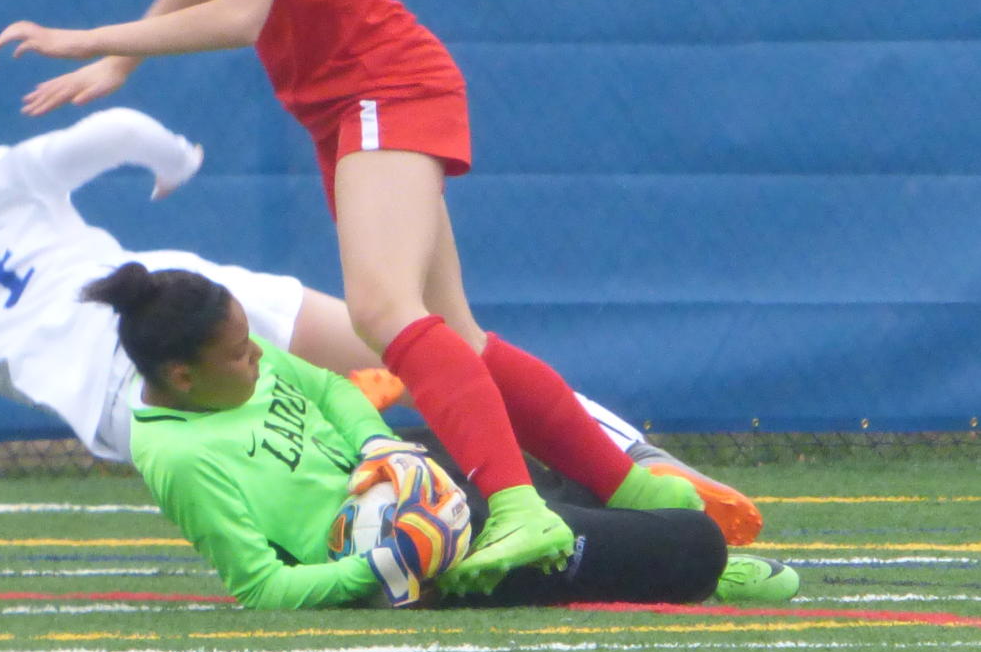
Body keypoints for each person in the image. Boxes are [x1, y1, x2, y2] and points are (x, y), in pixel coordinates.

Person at [0, 0, 700, 586]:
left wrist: (94, 36)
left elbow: (241, 11)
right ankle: (633, 492)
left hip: (382, 88)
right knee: (455, 335)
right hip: (346, 105)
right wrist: (125, 63)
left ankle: (521, 509)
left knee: (382, 312)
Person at [0, 36, 759, 600]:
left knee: (330, 518)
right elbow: (116, 136)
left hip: (153, 388)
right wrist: (176, 161)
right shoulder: (4, 175)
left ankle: (493, 540)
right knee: (432, 345)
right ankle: (627, 464)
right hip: (199, 291)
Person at [83, 262, 798, 612]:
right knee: (693, 542)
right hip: (421, 552)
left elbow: (332, 388)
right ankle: (700, 565)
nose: (258, 359)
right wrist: (393, 559)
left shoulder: (235, 366)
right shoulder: (175, 455)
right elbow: (264, 589)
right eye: (239, 355)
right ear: (179, 377)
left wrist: (376, 446)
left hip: (413, 480)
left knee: (518, 440)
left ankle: (626, 519)